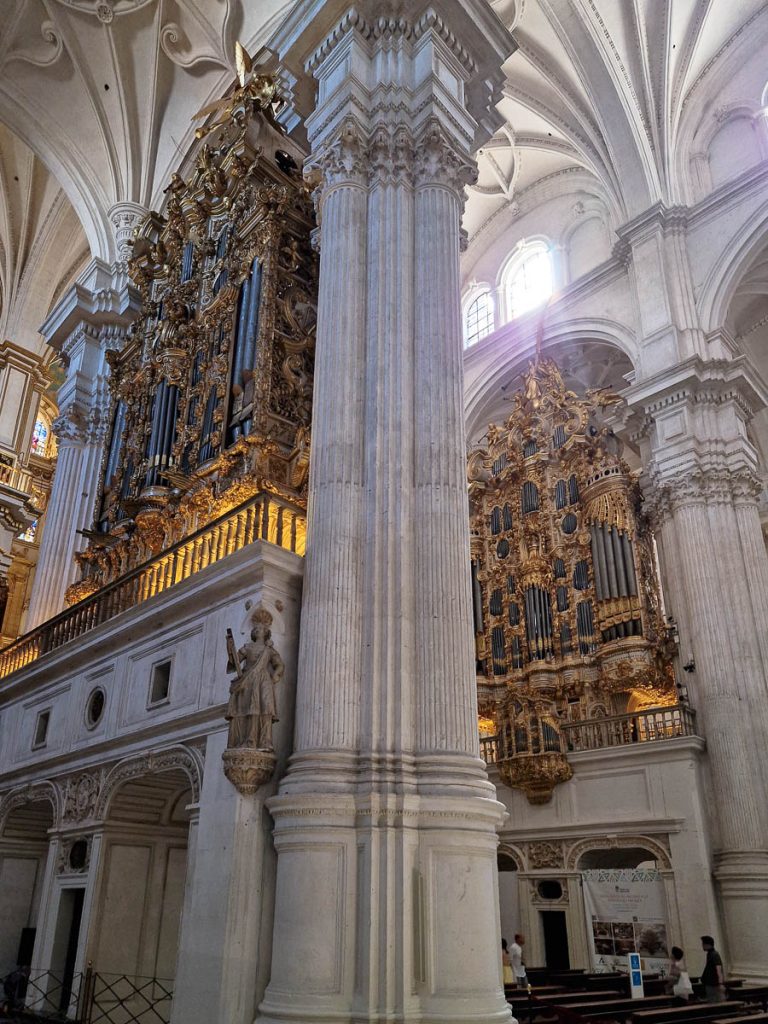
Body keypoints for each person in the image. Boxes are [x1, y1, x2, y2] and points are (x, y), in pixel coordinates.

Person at [700, 935, 725, 1002]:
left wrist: (720, 983)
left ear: (707, 945)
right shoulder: (710, 954)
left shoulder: (714, 954)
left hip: (714, 985)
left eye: (703, 944)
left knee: (716, 1002)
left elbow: (719, 969)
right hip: (710, 984)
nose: (702, 946)